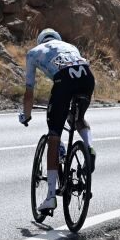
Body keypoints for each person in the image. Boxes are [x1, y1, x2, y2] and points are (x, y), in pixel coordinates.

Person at [18, 28, 96, 212]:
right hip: (87, 76)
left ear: (40, 41)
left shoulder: (34, 53)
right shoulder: (70, 46)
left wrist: (26, 115)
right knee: (78, 118)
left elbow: (29, 92)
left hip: (64, 80)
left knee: (54, 134)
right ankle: (89, 148)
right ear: (57, 39)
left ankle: (51, 197)